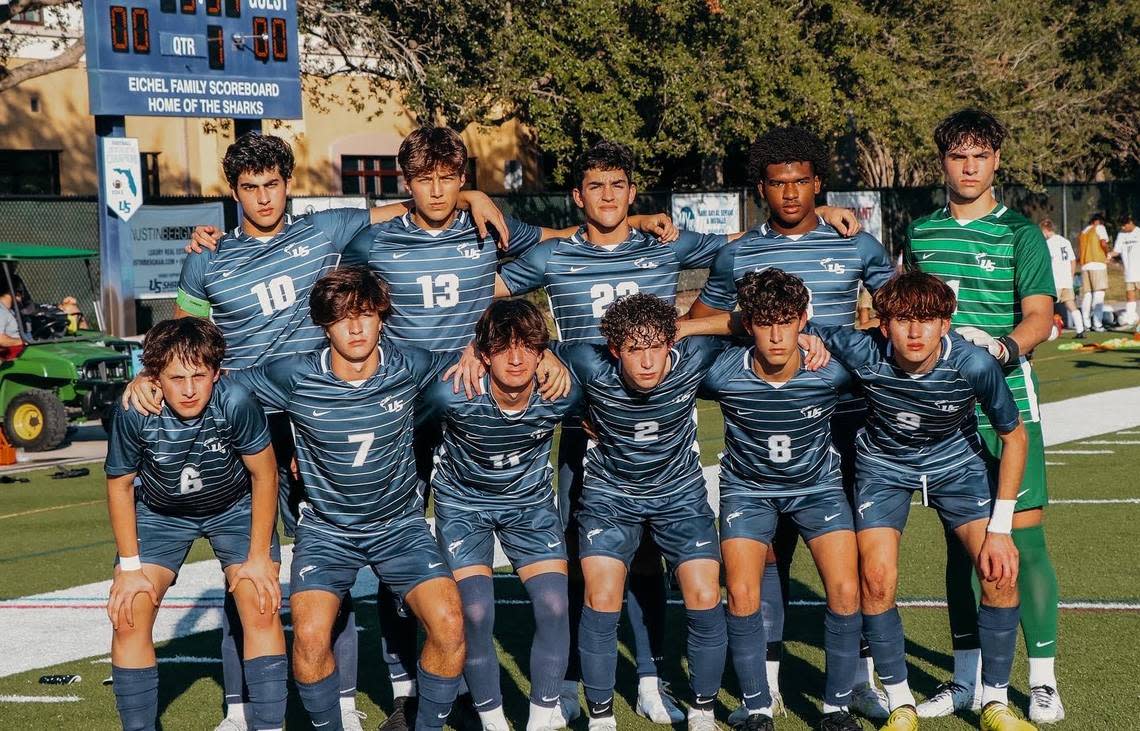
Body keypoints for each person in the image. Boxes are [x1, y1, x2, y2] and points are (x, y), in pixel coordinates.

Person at [161, 129, 519, 731]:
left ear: (288, 184)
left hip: (331, 406)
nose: (263, 198)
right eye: (250, 188)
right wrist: (155, 379)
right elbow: (183, 342)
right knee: (249, 566)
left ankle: (369, 697)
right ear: (233, 192)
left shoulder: (324, 232)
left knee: (364, 538)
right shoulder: (207, 257)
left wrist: (475, 197)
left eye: (273, 185)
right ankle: (240, 705)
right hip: (255, 419)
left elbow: (412, 203)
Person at [684, 125, 895, 721]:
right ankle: (767, 681)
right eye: (779, 184)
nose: (792, 194)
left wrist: (835, 343)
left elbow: (898, 313)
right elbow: (708, 321)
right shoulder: (740, 252)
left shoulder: (856, 243)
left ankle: (856, 682)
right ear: (761, 189)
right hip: (767, 412)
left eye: (803, 182)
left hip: (848, 418)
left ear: (819, 183)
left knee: (851, 563)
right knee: (767, 557)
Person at [225, 266, 467, 731]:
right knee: (311, 640)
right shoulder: (293, 375)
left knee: (450, 624)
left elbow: (480, 359)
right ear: (323, 324)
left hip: (400, 527)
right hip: (326, 532)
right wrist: (150, 378)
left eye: (366, 315)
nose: (355, 328)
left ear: (382, 317)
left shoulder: (411, 364)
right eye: (341, 318)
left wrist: (547, 359)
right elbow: (219, 383)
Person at [805, 271, 1032, 731]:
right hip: (884, 466)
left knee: (1000, 572)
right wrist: (808, 340)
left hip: (957, 464)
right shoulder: (862, 348)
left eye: (926, 320)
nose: (914, 331)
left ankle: (995, 702)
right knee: (875, 578)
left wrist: (1001, 528)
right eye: (903, 319)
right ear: (882, 324)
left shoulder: (974, 365)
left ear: (946, 324)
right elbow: (788, 325)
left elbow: (1015, 438)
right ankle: (901, 702)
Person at [905, 109, 1062, 724]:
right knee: (959, 546)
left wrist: (1000, 349)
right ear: (942, 162)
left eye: (980, 156)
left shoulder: (1020, 234)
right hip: (941, 412)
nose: (968, 167)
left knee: (1023, 538)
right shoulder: (919, 234)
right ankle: (967, 680)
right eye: (957, 156)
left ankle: (1043, 679)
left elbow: (1040, 316)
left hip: (1008, 406)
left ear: (997, 160)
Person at [552, 293, 730, 731]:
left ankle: (703, 712)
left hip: (680, 495)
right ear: (615, 350)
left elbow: (748, 324)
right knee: (602, 595)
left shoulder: (695, 356)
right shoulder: (589, 364)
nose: (648, 361)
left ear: (670, 343)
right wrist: (547, 364)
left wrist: (688, 326)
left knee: (706, 593)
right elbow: (532, 345)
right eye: (635, 349)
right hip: (610, 497)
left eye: (656, 347)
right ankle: (601, 718)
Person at [699, 269, 862, 731]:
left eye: (787, 321)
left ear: (804, 320)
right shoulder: (720, 370)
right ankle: (756, 707)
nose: (776, 335)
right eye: (764, 322)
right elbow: (652, 378)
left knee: (846, 590)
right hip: (748, 490)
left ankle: (837, 708)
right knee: (743, 592)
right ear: (747, 324)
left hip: (818, 488)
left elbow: (890, 362)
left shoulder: (831, 368)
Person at [104, 318, 285, 731]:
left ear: (216, 374)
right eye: (176, 378)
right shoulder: (135, 409)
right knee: (128, 611)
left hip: (233, 508)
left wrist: (258, 557)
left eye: (199, 376)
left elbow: (265, 475)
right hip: (160, 514)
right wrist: (130, 571)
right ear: (153, 378)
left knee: (260, 602)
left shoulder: (236, 399)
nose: (188, 389)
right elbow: (119, 487)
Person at [423, 299, 581, 731]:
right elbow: (408, 428)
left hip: (529, 506)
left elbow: (596, 413)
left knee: (553, 604)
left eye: (528, 347)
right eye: (503, 347)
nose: (516, 359)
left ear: (542, 352)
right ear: (484, 352)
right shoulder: (450, 393)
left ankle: (540, 718)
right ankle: (492, 721)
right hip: (463, 506)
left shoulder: (563, 392)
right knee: (474, 613)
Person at [1039, 219, 1084, 338]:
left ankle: (1047, 332)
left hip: (1056, 280)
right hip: (1066, 280)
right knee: (1071, 304)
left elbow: (1047, 262)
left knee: (1047, 306)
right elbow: (1073, 261)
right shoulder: (1065, 241)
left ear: (1046, 230)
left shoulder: (1049, 244)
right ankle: (1081, 330)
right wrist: (1071, 276)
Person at [1077, 212, 1110, 332]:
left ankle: (1086, 323)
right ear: (1098, 221)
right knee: (1099, 294)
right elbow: (1103, 243)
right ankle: (1097, 323)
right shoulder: (1099, 228)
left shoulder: (1084, 231)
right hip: (1098, 264)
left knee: (1087, 295)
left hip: (1085, 265)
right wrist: (1108, 254)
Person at [1110, 215, 1140, 327]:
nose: (1123, 227)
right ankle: (1131, 319)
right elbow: (1116, 251)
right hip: (1129, 273)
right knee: (1130, 296)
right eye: (1121, 225)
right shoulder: (1121, 235)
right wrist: (1108, 255)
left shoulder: (1139, 233)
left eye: (1124, 225)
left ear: (1130, 222)